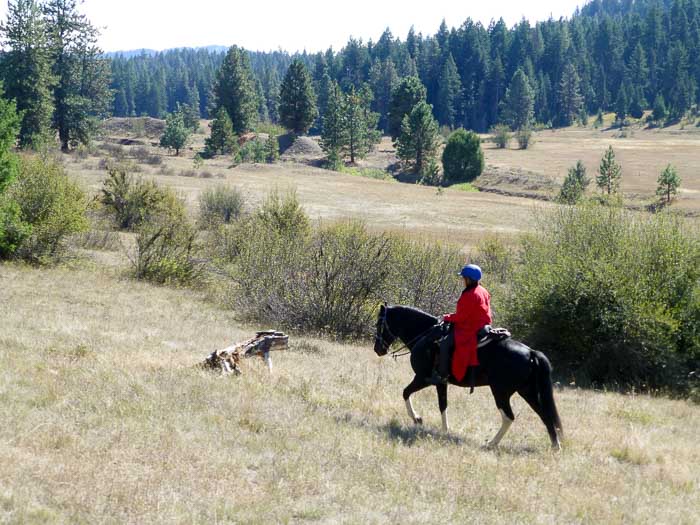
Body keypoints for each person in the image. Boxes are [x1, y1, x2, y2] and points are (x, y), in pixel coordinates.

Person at [427, 264, 492, 385]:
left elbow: (461, 317)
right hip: (482, 325)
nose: (463, 281)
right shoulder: (482, 290)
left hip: (470, 329)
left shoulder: (470, 295)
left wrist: (446, 317)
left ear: (468, 279)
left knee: (444, 344)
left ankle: (442, 376)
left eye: (464, 278)